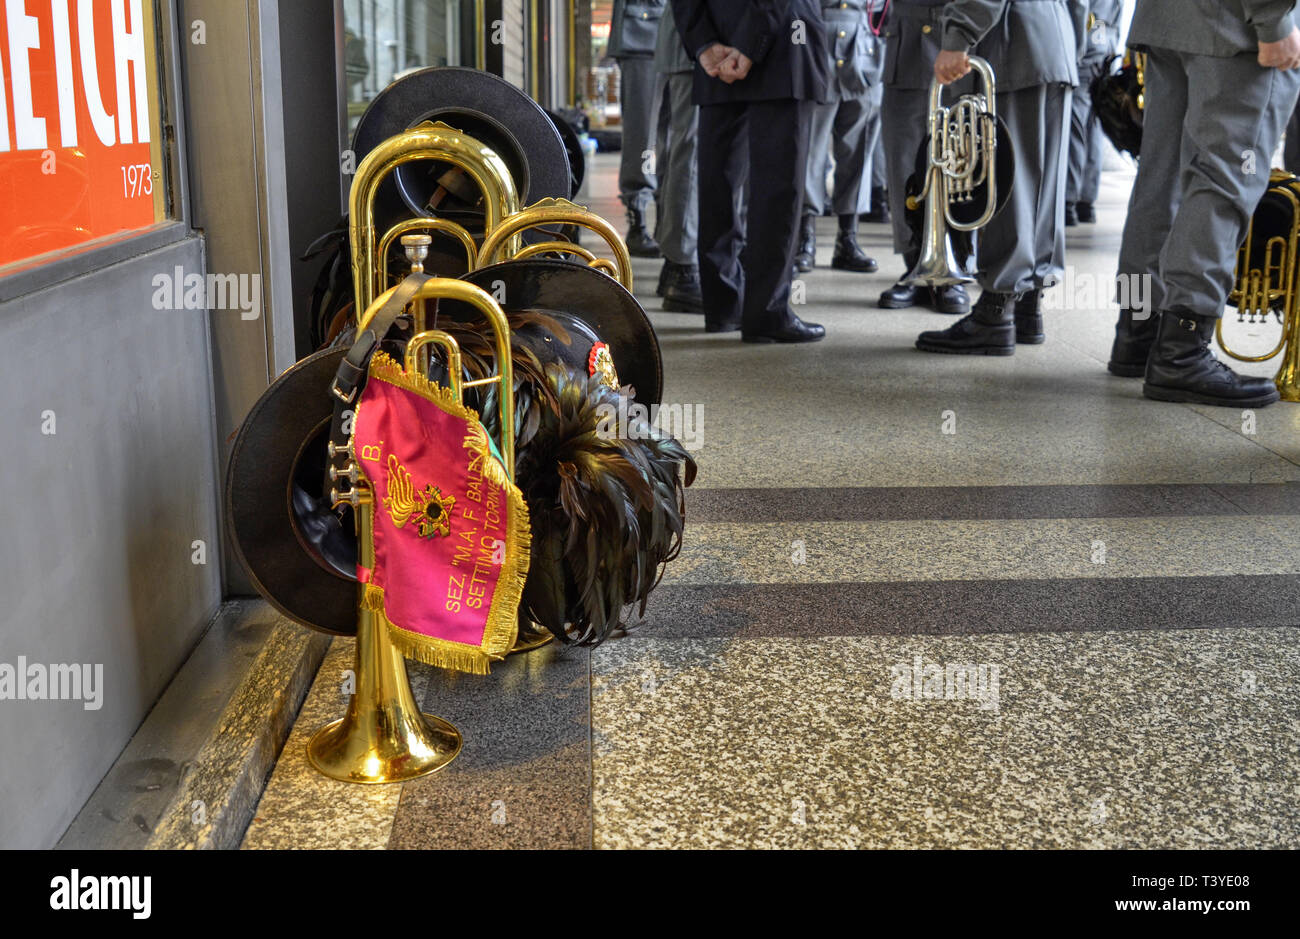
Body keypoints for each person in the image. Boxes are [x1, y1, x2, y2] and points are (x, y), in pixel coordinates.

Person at [1107, 0, 1300, 408]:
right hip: (1234, 24)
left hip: (1167, 19)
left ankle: (1137, 330)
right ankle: (1181, 351)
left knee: (1161, 178)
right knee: (1224, 181)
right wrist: (1274, 19)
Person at [909, 0, 1080, 354]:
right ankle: (1027, 309)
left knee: (1009, 186)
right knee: (1042, 188)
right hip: (1053, 41)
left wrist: (958, 36)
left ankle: (994, 314)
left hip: (1010, 42)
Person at [671, 0, 832, 342]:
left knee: (719, 183)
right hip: (785, 38)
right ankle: (766, 313)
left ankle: (723, 307)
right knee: (777, 186)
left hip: (718, 37)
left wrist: (704, 42)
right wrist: (748, 42)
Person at [876, 1, 975, 315]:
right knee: (903, 162)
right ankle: (915, 263)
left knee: (958, 163)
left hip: (959, 42)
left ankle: (953, 267)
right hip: (907, 40)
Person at [794, 0, 882, 275]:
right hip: (815, 42)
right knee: (811, 151)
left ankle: (848, 239)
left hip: (865, 46)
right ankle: (804, 239)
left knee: (860, 149)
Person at [653, 3, 705, 312]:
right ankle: (682, 268)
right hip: (696, 41)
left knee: (681, 152)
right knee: (691, 155)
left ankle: (675, 265)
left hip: (689, 40)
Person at [609, 0, 667, 257]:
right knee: (641, 137)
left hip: (688, 37)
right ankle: (638, 219)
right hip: (641, 32)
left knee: (679, 141)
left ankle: (670, 223)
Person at [1065, 1, 1122, 226]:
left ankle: (1068, 201)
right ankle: (1086, 202)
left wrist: (1075, 47)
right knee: (1094, 123)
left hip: (1087, 36)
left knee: (1075, 125)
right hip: (1105, 38)